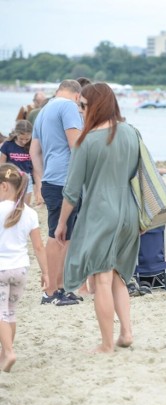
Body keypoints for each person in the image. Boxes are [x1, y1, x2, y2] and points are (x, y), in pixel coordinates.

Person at [54, 82, 140, 353]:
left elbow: (71, 191)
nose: (79, 111)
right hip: (129, 211)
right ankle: (125, 333)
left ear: (95, 105)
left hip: (102, 213)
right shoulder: (131, 133)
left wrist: (61, 223)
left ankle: (106, 344)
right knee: (118, 276)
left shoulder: (86, 141)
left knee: (100, 278)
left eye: (82, 105)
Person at [30, 79, 84, 306]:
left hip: (51, 179)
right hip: (67, 180)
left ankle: (54, 289)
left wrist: (41, 180)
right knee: (62, 236)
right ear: (77, 96)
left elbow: (35, 152)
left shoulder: (43, 111)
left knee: (57, 233)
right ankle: (55, 289)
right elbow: (76, 145)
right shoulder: (69, 106)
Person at [0, 164, 48, 372]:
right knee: (10, 312)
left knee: (0, 314)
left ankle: (9, 352)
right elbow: (38, 246)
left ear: (3, 186)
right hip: (21, 270)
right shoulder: (29, 213)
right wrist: (46, 273)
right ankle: (4, 354)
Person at [0, 120, 34, 205]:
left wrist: (37, 185)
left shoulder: (32, 145)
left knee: (25, 206)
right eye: (21, 138)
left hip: (26, 177)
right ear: (16, 134)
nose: (24, 141)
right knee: (9, 204)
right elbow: (2, 164)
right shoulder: (7, 144)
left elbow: (35, 165)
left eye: (27, 139)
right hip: (10, 176)